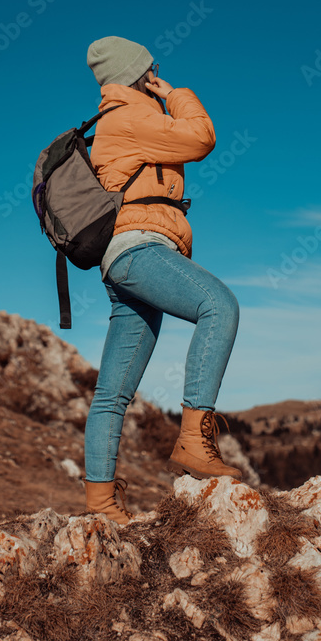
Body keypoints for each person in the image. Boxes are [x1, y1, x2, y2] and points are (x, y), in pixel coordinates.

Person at [83, 35, 242, 525]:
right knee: (220, 305)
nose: (157, 74)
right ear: (138, 74)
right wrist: (176, 91)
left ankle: (102, 506)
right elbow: (201, 138)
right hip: (139, 250)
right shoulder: (132, 116)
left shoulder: (121, 117)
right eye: (151, 69)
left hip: (124, 258)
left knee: (113, 392)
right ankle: (194, 439)